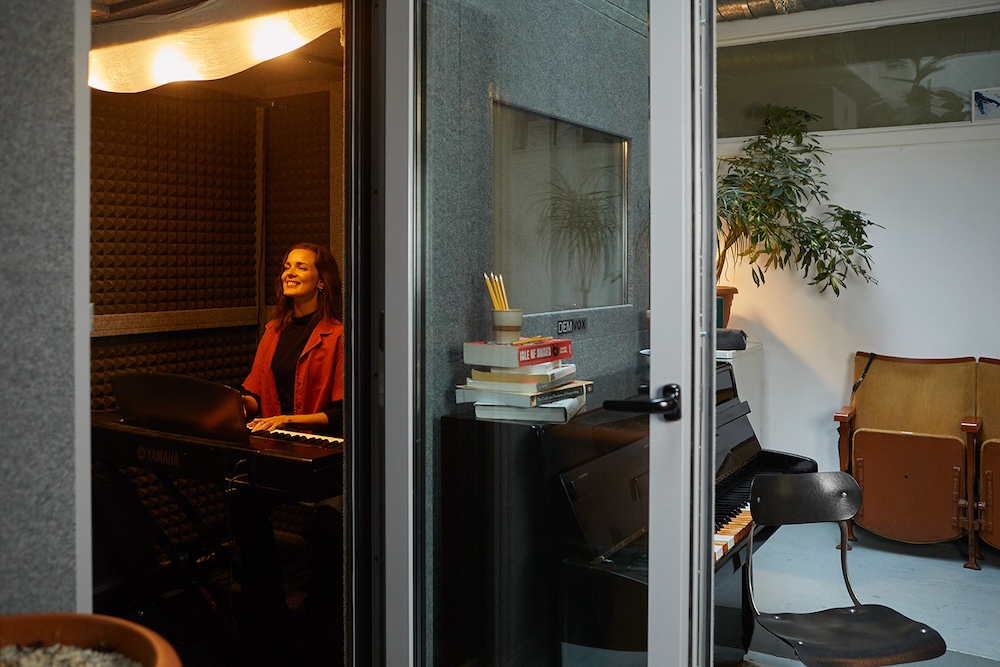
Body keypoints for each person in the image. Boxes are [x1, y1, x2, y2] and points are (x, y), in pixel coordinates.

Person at [232, 242, 345, 665]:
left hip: (325, 451)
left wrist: (289, 420)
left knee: (331, 521)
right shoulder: (273, 330)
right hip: (278, 446)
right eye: (286, 266)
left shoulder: (339, 334)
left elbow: (341, 414)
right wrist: (237, 404)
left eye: (301, 266)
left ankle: (322, 627)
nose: (289, 272)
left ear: (322, 280)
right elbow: (257, 395)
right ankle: (267, 614)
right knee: (242, 503)